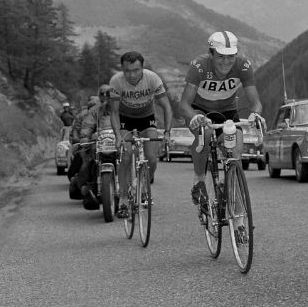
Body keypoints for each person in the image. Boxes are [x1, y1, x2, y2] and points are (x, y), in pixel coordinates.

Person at [179, 31, 263, 208]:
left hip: (227, 111)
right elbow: (184, 104)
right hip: (199, 110)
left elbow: (256, 102)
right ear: (211, 53)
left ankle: (233, 201)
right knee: (206, 133)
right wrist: (195, 118)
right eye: (221, 57)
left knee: (237, 150)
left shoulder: (243, 65)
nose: (226, 62)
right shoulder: (199, 66)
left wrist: (255, 114)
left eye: (231, 56)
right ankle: (199, 180)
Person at [108, 51, 173, 214]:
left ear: (143, 68)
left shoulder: (152, 78)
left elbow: (166, 107)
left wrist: (167, 133)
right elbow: (114, 112)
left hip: (147, 117)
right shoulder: (116, 81)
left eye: (136, 70)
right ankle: (123, 198)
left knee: (152, 157)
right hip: (125, 118)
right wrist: (118, 137)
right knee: (126, 155)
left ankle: (143, 186)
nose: (131, 75)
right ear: (122, 69)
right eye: (127, 71)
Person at [72, 85, 115, 210]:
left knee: (129, 159)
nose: (108, 98)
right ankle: (90, 189)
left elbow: (131, 124)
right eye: (106, 95)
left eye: (111, 96)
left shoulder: (124, 110)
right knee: (89, 161)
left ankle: (136, 189)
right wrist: (85, 136)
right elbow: (87, 125)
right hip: (100, 144)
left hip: (119, 144)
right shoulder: (96, 110)